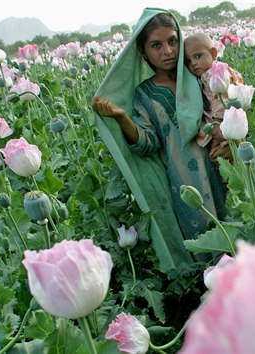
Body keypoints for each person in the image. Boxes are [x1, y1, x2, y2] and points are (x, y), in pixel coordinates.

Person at [91, 9, 228, 268]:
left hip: (221, 166)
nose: (167, 51)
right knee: (205, 244)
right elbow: (148, 143)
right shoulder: (145, 94)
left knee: (234, 225)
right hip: (185, 183)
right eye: (156, 45)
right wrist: (122, 117)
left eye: (172, 41)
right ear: (143, 52)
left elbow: (227, 106)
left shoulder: (199, 75)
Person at [183, 32, 244, 163]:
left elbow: (220, 97)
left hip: (222, 123)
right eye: (189, 61)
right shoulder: (224, 68)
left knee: (222, 155)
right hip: (231, 120)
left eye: (198, 56)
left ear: (213, 53)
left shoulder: (211, 74)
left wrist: (217, 122)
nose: (193, 63)